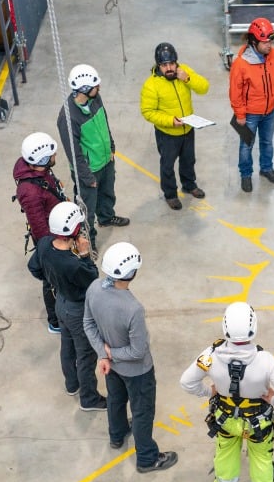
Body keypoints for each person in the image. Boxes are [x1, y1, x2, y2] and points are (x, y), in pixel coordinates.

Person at [179, 302, 274, 482]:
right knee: (261, 458)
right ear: (254, 327)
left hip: (225, 419)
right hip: (257, 423)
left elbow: (187, 382)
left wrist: (209, 392)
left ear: (225, 327)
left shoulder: (210, 355)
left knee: (225, 452)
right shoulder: (265, 360)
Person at [83, 242, 178, 471]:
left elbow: (88, 323)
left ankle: (117, 435)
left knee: (115, 399)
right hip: (138, 372)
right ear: (132, 273)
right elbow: (138, 351)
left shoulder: (94, 288)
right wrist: (111, 353)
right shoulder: (133, 309)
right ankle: (147, 458)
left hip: (112, 368)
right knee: (142, 412)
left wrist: (104, 356)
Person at [27, 202, 106, 412]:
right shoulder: (72, 263)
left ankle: (72, 384)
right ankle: (89, 398)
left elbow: (33, 267)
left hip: (60, 304)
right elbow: (92, 278)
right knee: (86, 355)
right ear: (74, 229)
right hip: (78, 311)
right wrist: (84, 254)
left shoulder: (44, 243)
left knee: (67, 345)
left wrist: (53, 280)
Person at [56, 63, 129, 243]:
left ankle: (105, 217)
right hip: (89, 170)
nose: (99, 87)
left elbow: (105, 122)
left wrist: (111, 146)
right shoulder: (68, 117)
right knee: (86, 209)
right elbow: (73, 153)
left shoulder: (96, 99)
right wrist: (87, 177)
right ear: (85, 89)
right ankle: (88, 242)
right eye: (96, 85)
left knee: (107, 194)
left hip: (105, 160)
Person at [139, 42, 210, 211]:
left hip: (188, 128)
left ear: (176, 62)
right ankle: (170, 194)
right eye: (164, 65)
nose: (169, 68)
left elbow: (204, 88)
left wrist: (188, 79)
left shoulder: (183, 71)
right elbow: (147, 112)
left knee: (188, 160)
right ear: (158, 65)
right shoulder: (151, 85)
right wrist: (171, 121)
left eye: (172, 63)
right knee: (167, 165)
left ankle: (189, 184)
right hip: (168, 134)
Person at [12, 131, 68, 334]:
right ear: (43, 159)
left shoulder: (39, 174)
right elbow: (39, 228)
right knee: (51, 280)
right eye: (52, 154)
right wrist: (54, 250)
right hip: (50, 239)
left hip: (57, 229)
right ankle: (55, 321)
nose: (55, 156)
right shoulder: (31, 191)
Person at [229, 17, 274, 193]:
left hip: (270, 110)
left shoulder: (273, 55)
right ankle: (246, 174)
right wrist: (240, 114)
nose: (269, 45)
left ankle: (266, 168)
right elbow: (235, 91)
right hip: (250, 114)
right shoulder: (241, 64)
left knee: (267, 142)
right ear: (253, 41)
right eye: (265, 42)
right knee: (247, 145)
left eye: (270, 41)